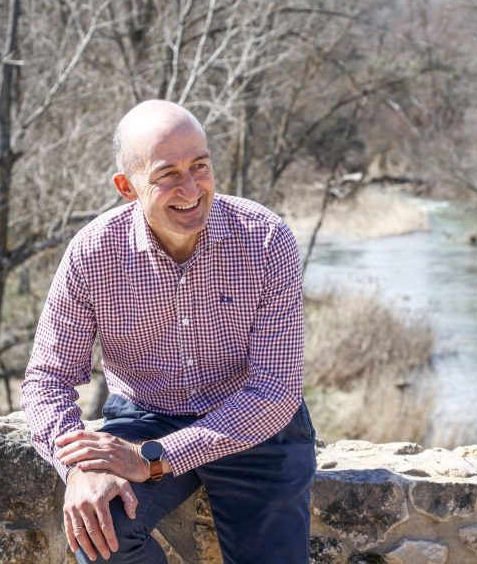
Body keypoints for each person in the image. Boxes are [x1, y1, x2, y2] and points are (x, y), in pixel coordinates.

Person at [20, 100, 315, 564]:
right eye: (167, 174)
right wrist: (78, 466)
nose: (191, 188)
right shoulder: (93, 254)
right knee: (100, 534)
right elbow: (46, 379)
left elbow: (275, 392)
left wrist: (154, 458)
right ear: (127, 186)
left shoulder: (265, 240)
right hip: (146, 415)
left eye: (200, 166)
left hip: (254, 426)